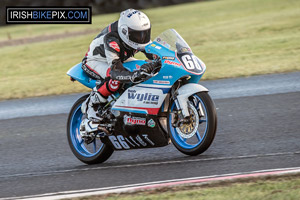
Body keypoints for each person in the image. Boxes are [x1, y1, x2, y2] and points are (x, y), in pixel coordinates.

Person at [81, 9, 159, 133]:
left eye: (145, 33)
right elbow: (115, 70)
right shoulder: (112, 39)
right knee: (116, 80)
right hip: (95, 61)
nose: (142, 38)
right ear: (125, 32)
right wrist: (134, 75)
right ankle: (91, 106)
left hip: (120, 59)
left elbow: (155, 54)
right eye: (137, 35)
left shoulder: (137, 37)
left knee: (145, 69)